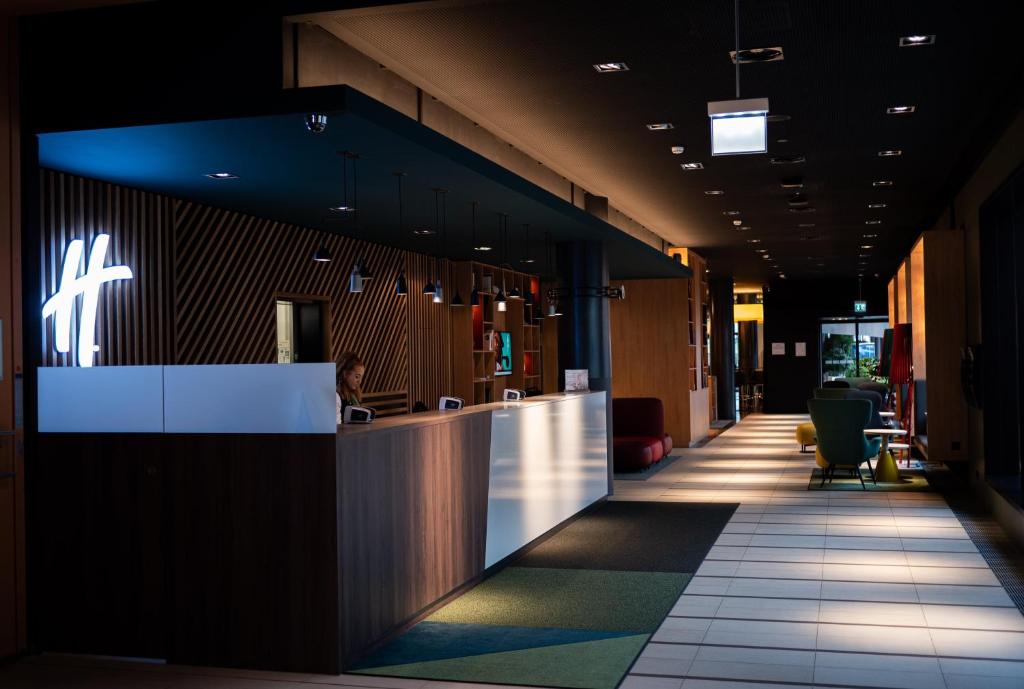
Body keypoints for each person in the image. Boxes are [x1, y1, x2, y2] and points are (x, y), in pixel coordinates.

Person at [336, 352, 365, 424]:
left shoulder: (354, 395)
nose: (359, 381)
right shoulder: (336, 396)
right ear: (345, 374)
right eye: (357, 377)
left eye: (361, 377)